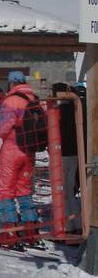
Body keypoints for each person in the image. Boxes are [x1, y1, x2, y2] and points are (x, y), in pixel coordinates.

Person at [0, 71, 40, 248]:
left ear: (11, 84)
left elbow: (1, 128)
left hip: (12, 149)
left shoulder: (11, 101)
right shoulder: (34, 99)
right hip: (29, 151)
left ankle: (9, 232)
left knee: (5, 191)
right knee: (24, 190)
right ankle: (31, 231)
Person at [53, 82, 85, 234]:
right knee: (70, 192)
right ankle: (77, 224)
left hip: (63, 154)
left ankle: (67, 226)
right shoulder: (76, 108)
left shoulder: (59, 112)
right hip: (74, 154)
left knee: (63, 193)